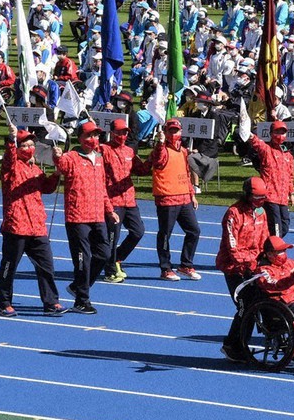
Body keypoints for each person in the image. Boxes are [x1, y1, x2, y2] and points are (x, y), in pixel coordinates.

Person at [0, 125, 65, 317]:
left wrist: (56, 174)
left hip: (37, 226)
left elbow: (47, 187)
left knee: (47, 266)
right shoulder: (10, 167)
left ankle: (51, 302)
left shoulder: (34, 168)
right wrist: (11, 140)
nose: (29, 148)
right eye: (24, 146)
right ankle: (4, 302)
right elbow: (9, 159)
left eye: (30, 145)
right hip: (16, 225)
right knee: (9, 267)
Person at [52, 121, 119, 314]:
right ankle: (82, 300)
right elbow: (61, 165)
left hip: (97, 215)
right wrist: (57, 156)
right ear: (80, 138)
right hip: (78, 217)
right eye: (89, 136)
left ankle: (78, 287)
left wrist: (109, 210)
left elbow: (102, 188)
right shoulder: (71, 157)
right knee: (83, 259)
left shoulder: (98, 159)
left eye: (96, 135)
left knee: (105, 254)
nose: (93, 139)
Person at [216, 177, 270, 362]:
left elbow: (265, 239)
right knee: (245, 306)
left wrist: (271, 255)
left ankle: (242, 344)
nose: (260, 202)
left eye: (263, 198)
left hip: (254, 266)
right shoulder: (233, 213)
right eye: (257, 198)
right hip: (234, 269)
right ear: (247, 195)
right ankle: (232, 345)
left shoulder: (262, 213)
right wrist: (249, 262)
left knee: (257, 303)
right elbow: (232, 248)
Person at [149, 118, 202, 281]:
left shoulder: (184, 151)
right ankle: (165, 268)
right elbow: (158, 159)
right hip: (167, 199)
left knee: (194, 231)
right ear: (165, 132)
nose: (174, 134)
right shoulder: (162, 150)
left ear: (181, 132)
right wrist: (160, 143)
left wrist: (191, 194)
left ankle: (186, 265)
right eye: (170, 131)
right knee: (165, 235)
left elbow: (186, 174)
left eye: (176, 131)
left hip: (184, 198)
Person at [99, 118, 148, 284]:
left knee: (138, 231)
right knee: (113, 236)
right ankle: (110, 271)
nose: (122, 135)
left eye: (125, 132)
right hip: (113, 201)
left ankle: (116, 259)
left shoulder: (129, 151)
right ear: (112, 133)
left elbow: (142, 170)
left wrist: (156, 153)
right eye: (119, 132)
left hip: (129, 200)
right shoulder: (103, 149)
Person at [247, 120, 294, 237]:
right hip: (270, 197)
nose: (280, 135)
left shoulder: (288, 155)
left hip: (283, 197)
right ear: (271, 133)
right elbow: (256, 143)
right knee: (276, 229)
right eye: (277, 132)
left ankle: (266, 244)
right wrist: (248, 134)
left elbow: (290, 176)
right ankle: (271, 251)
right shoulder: (266, 150)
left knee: (285, 226)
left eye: (282, 132)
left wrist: (291, 194)